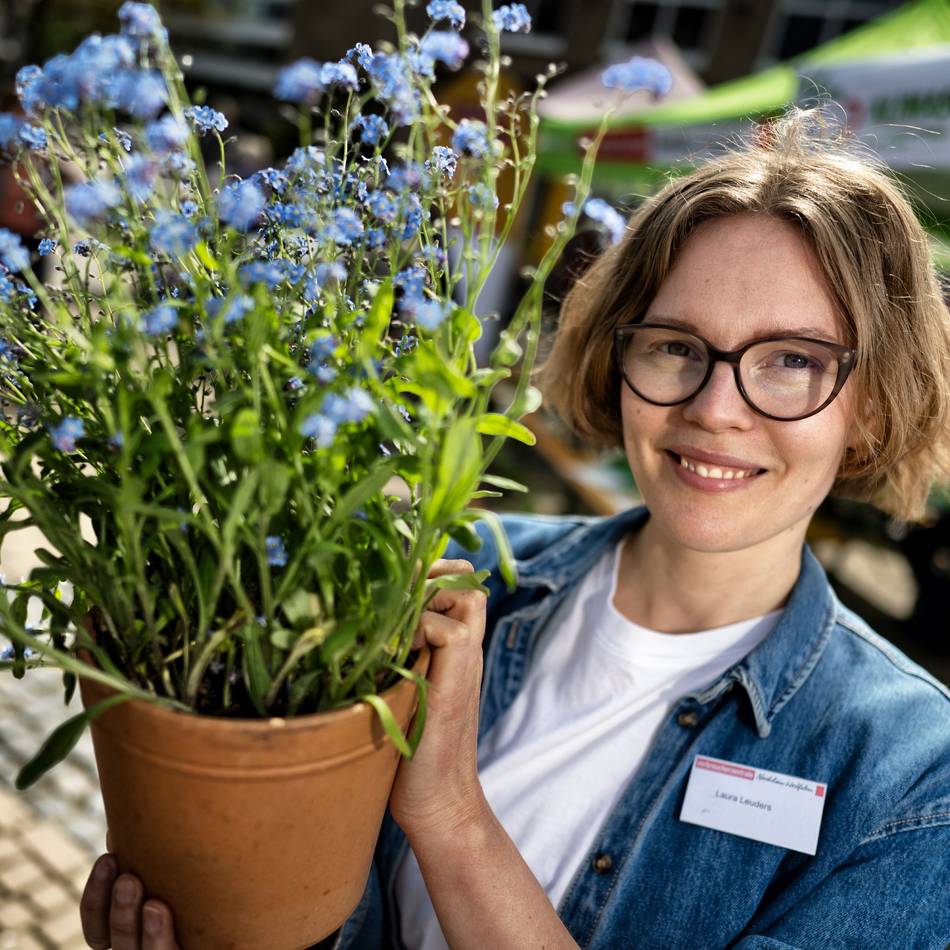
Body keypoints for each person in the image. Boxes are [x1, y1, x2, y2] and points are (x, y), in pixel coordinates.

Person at [80, 107, 950, 949]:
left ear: (871, 409)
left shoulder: (912, 774)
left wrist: (452, 814)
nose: (715, 409)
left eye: (792, 360)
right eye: (676, 345)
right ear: (617, 362)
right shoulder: (447, 580)